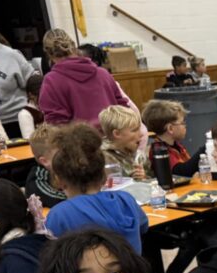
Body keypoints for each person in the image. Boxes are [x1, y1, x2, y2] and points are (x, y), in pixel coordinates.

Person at [45, 123, 148, 254]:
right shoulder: (126, 200)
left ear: (59, 180)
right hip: (132, 272)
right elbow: (143, 227)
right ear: (103, 175)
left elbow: (53, 254)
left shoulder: (59, 215)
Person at [39, 29, 128, 126]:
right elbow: (124, 110)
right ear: (73, 47)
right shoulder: (103, 74)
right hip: (113, 137)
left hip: (80, 140)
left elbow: (56, 123)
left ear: (48, 54)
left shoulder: (52, 80)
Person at [141, 99, 191, 173]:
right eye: (182, 123)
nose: (185, 126)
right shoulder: (159, 150)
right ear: (170, 128)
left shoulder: (177, 146)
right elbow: (180, 172)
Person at [99, 104, 147, 181]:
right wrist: (131, 180)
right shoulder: (104, 160)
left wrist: (143, 178)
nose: (141, 134)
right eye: (134, 130)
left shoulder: (138, 155)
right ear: (117, 134)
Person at [25, 123, 68, 208]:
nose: (68, 156)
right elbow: (52, 199)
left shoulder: (72, 167)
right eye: (61, 154)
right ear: (44, 161)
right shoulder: (36, 177)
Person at [17, 73, 44, 138]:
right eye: (40, 94)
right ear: (31, 95)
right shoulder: (25, 114)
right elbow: (29, 139)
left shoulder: (50, 108)